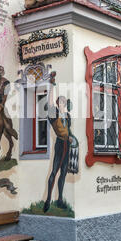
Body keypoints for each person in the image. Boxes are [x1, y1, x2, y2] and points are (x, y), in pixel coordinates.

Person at [44, 79, 73, 213]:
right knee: (54, 171)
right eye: (61, 102)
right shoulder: (53, 113)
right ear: (57, 103)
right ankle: (48, 200)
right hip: (60, 144)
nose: (63, 104)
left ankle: (60, 199)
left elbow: (68, 130)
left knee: (63, 173)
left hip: (68, 143)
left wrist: (71, 137)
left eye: (64, 102)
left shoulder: (67, 116)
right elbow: (49, 103)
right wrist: (52, 84)